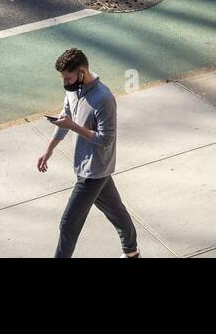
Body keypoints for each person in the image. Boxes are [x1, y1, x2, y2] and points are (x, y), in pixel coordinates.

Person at [37, 48, 140, 258]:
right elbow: (65, 119)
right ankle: (132, 252)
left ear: (82, 72)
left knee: (69, 223)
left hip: (94, 171)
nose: (65, 83)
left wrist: (74, 126)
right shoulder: (72, 91)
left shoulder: (103, 98)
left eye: (68, 78)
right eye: (63, 78)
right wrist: (49, 150)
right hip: (84, 165)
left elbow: (106, 139)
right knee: (116, 211)